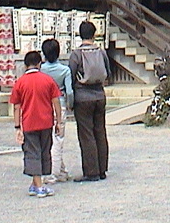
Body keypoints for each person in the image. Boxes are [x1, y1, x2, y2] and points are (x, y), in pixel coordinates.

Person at [11, 50, 63, 198]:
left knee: (32, 152)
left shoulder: (20, 82)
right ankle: (39, 185)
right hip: (46, 121)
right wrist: (58, 122)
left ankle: (36, 184)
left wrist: (17, 126)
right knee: (44, 151)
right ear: (40, 63)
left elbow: (16, 106)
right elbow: (56, 102)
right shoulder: (48, 80)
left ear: (26, 65)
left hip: (29, 123)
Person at [68, 20, 110, 182]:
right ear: (94, 34)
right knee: (100, 131)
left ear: (80, 34)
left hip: (83, 96)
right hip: (100, 94)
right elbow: (108, 71)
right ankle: (102, 168)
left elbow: (71, 75)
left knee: (86, 134)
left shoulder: (77, 54)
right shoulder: (101, 52)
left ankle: (91, 171)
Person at [40, 38, 74, 183]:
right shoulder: (65, 70)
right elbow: (70, 91)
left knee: (47, 139)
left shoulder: (41, 70)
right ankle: (53, 173)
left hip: (44, 105)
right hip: (59, 104)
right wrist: (70, 103)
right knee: (58, 139)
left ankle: (61, 171)